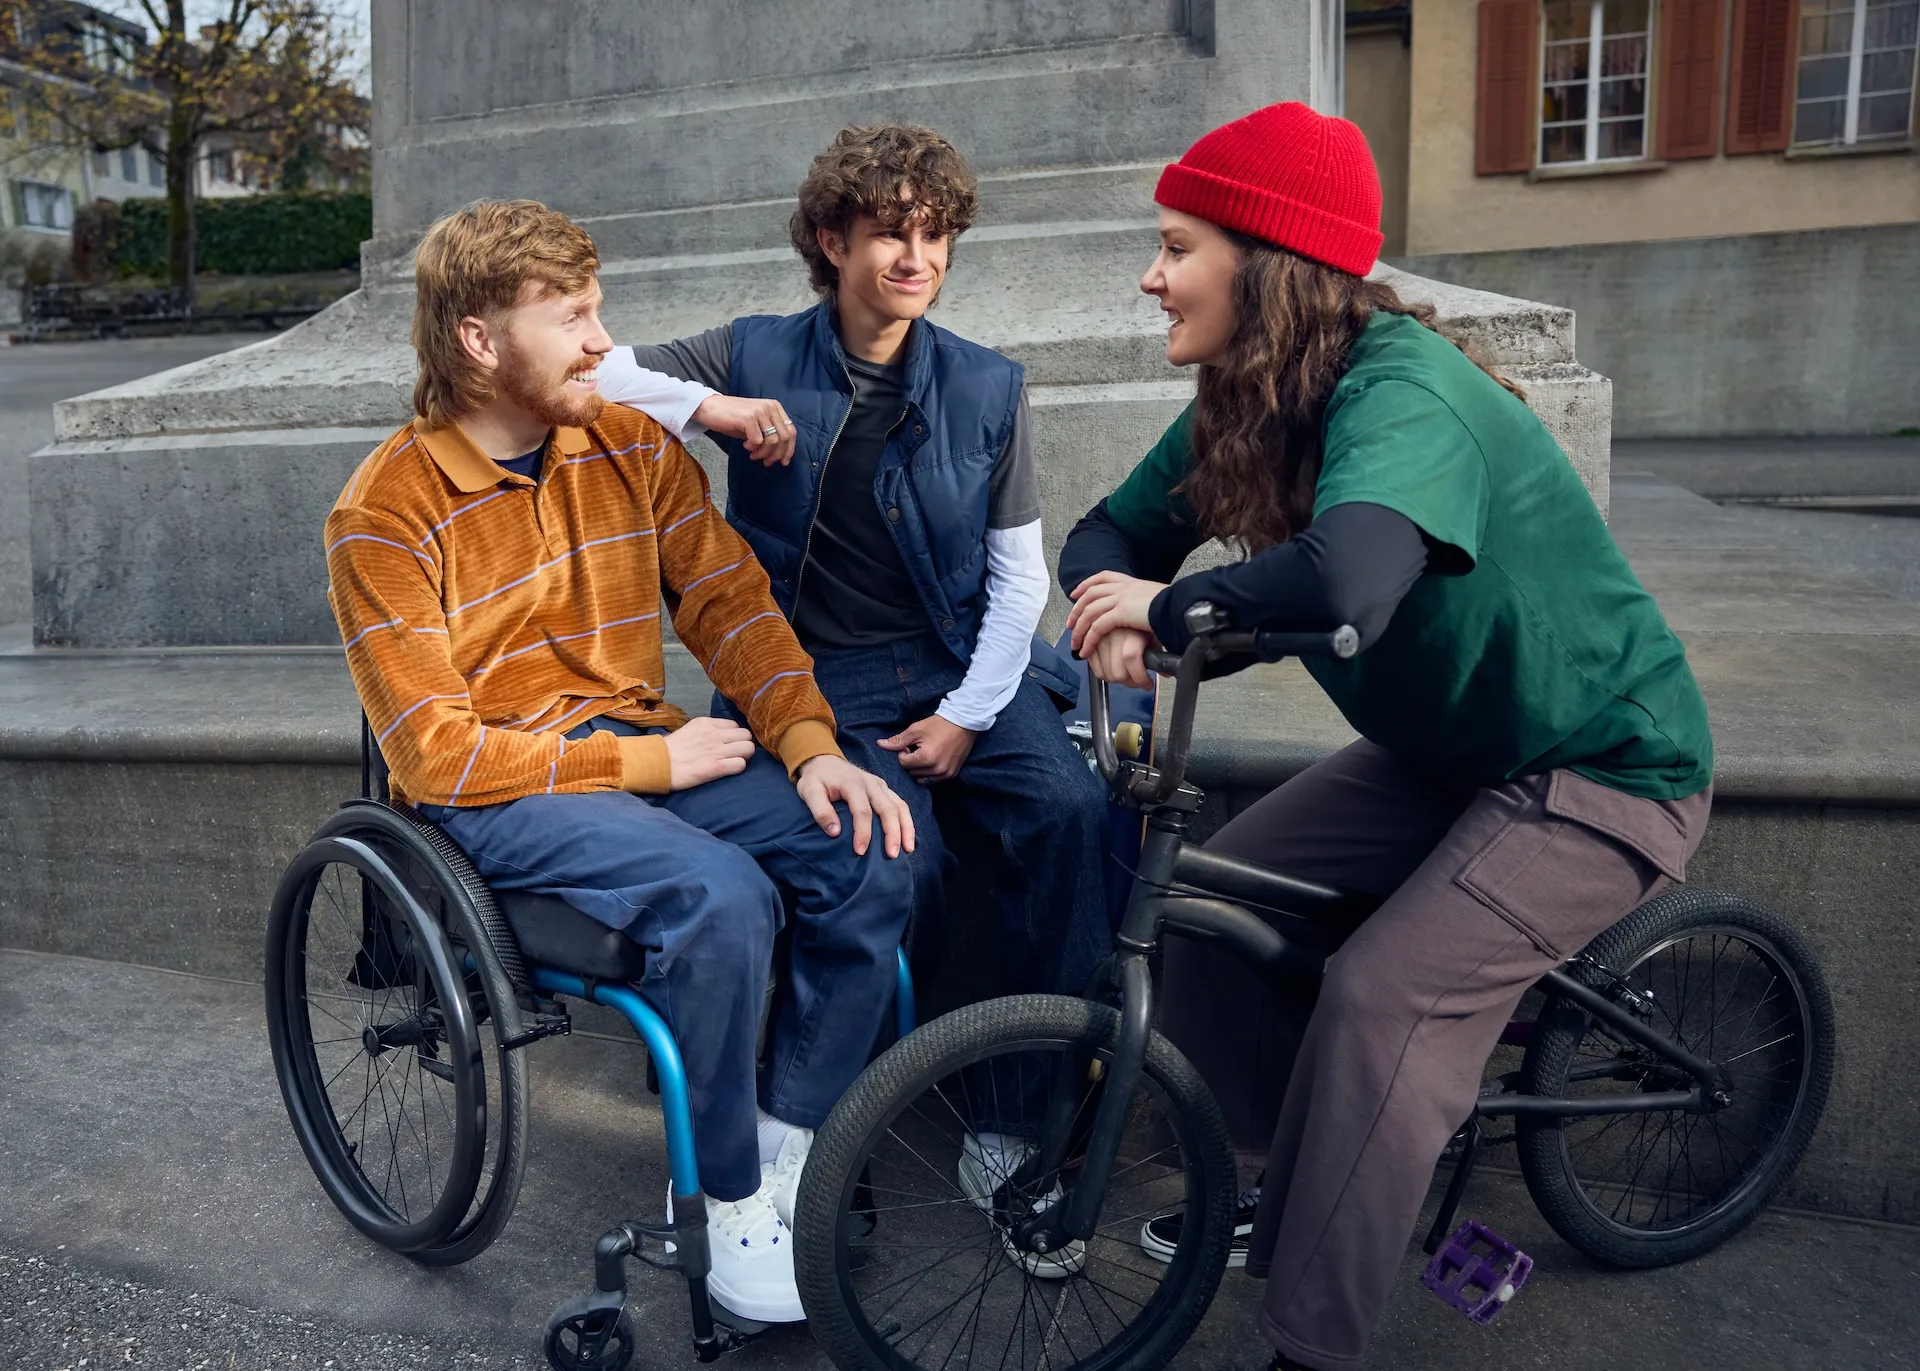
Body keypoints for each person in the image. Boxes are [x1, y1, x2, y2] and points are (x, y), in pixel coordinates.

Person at [1059, 103, 1714, 1371]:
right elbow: (1110, 532)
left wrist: (1175, 604)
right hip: (1448, 755)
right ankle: (1278, 1184)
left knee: (1382, 999)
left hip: (1600, 768)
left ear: (1268, 264)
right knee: (1203, 898)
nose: (1151, 275)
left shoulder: (1403, 388)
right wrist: (1117, 608)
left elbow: (1347, 578)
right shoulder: (1249, 401)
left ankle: (1312, 1342)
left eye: (1176, 245)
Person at [323, 199, 916, 1326]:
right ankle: (727, 1197)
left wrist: (810, 747)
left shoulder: (627, 443)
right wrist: (655, 769)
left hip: (644, 743)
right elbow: (438, 756)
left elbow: (733, 606)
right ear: (481, 340)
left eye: (600, 311)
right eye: (575, 316)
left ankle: (783, 1151)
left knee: (870, 845)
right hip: (501, 790)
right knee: (720, 895)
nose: (605, 340)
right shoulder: (383, 511)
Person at [592, 122, 1113, 1262]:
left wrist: (972, 718)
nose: (916, 259)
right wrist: (711, 411)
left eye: (935, 237)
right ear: (832, 241)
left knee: (1073, 814)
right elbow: (593, 373)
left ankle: (1013, 1129)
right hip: (806, 680)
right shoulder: (756, 351)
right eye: (890, 235)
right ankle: (839, 1136)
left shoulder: (986, 383)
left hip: (958, 662)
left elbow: (1019, 576)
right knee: (892, 854)